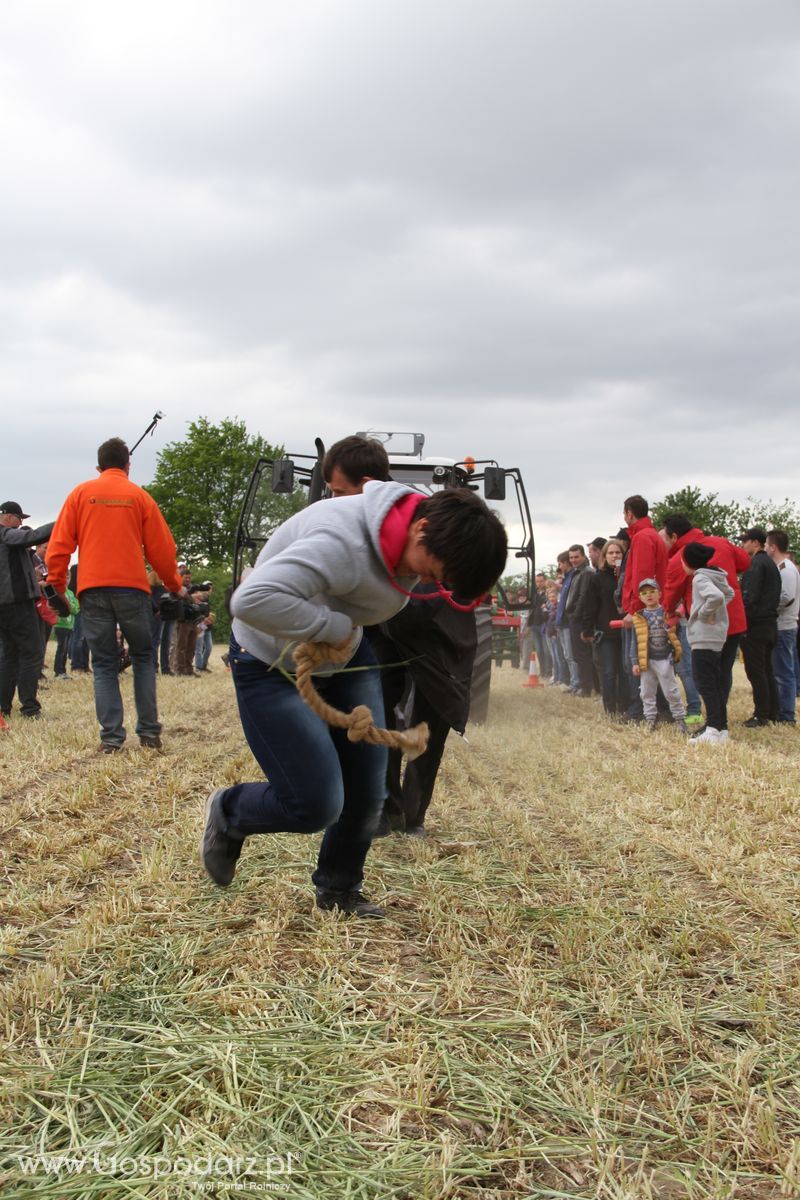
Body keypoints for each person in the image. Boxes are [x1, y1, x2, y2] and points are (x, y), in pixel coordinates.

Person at [200, 482, 507, 918]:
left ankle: (339, 890)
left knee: (367, 788)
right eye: (432, 571)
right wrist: (332, 628)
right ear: (420, 528)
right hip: (270, 659)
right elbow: (249, 600)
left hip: (344, 652)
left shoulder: (422, 530)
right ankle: (230, 812)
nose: (424, 581)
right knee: (316, 803)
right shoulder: (341, 543)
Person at [46, 437, 185, 752]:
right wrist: (173, 585)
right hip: (133, 590)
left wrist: (57, 584)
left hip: (92, 590)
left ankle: (111, 738)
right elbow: (163, 550)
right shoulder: (139, 496)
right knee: (144, 657)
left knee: (105, 663)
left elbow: (59, 546)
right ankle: (149, 732)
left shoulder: (80, 494)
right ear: (127, 465)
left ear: (99, 466)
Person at [660, 515, 750, 717]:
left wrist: (670, 611)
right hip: (733, 618)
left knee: (706, 674)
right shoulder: (720, 542)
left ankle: (714, 720)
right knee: (724, 671)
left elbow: (670, 596)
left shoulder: (680, 558)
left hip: (707, 626)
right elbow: (745, 561)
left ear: (674, 536)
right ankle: (719, 716)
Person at [0, 501, 55, 719]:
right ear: (7, 516)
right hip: (17, 603)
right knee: (32, 653)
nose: (21, 523)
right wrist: (63, 522)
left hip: (3, 606)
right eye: (19, 518)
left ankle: (3, 708)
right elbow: (28, 537)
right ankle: (30, 708)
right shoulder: (6, 534)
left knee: (8, 656)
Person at [681, 542, 735, 745]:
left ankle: (713, 728)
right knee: (715, 682)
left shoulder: (700, 578)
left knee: (705, 683)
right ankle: (721, 728)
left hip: (703, 636)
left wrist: (704, 613)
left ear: (687, 562)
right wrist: (717, 611)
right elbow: (729, 594)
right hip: (717, 635)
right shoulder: (716, 575)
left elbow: (716, 596)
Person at [621, 497, 667, 720]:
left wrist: (635, 609)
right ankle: (659, 709)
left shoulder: (641, 538)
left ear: (629, 513)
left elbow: (642, 575)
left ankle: (639, 710)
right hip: (649, 607)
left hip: (641, 610)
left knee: (636, 661)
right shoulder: (652, 536)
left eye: (624, 513)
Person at [629, 579, 687, 732]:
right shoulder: (639, 617)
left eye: (652, 591)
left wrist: (676, 650)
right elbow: (634, 641)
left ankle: (680, 719)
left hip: (665, 658)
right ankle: (650, 719)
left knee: (671, 691)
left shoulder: (667, 612)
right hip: (646, 660)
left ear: (660, 594)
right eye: (644, 593)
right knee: (646, 692)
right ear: (640, 597)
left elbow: (678, 632)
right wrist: (635, 661)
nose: (649, 595)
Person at [579, 538, 627, 715]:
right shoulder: (597, 578)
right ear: (604, 556)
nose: (615, 556)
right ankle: (611, 709)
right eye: (611, 553)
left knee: (625, 672)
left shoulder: (627, 576)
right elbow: (590, 605)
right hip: (606, 632)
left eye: (618, 552)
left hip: (627, 630)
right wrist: (587, 629)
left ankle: (625, 707)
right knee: (608, 671)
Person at [739, 527, 781, 727]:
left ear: (755, 542)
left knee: (756, 671)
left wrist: (743, 623)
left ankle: (761, 714)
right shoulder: (771, 564)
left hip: (756, 625)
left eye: (745, 541)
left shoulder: (756, 564)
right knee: (767, 669)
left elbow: (750, 596)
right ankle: (772, 711)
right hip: (771, 624)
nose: (742, 545)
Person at [765, 530, 799, 725]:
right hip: (783, 625)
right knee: (782, 670)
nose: (765, 549)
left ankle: (787, 715)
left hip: (784, 625)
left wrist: (767, 606)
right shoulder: (785, 568)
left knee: (784, 672)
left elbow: (786, 597)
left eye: (767, 545)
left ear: (773, 547)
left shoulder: (786, 569)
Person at [564, 544, 594, 696]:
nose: (574, 560)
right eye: (571, 557)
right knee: (577, 654)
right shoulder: (577, 572)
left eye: (576, 557)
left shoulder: (586, 572)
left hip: (579, 618)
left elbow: (583, 597)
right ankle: (584, 686)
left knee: (582, 655)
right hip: (574, 617)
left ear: (583, 556)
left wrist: (575, 616)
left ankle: (586, 688)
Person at [54, 566, 80, 678]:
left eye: (68, 577)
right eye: (64, 577)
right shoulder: (58, 592)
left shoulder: (70, 593)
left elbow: (76, 608)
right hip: (60, 624)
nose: (66, 580)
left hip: (69, 625)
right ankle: (59, 671)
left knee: (65, 649)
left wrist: (69, 607)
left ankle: (63, 670)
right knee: (61, 648)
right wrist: (69, 607)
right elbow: (60, 607)